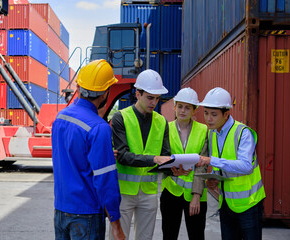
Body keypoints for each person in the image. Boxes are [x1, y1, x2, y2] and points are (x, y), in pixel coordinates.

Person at [52, 59, 125, 240]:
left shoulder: (60, 118)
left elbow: (70, 158)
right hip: (86, 214)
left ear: (79, 87)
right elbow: (105, 179)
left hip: (61, 210)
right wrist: (115, 223)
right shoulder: (99, 127)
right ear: (105, 93)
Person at [111, 69, 173, 240]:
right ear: (138, 94)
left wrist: (174, 169)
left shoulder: (161, 122)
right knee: (118, 237)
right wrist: (154, 159)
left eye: (157, 98)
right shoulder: (120, 118)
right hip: (124, 192)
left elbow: (165, 156)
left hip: (149, 192)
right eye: (150, 97)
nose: (154, 102)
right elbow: (123, 156)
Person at [197, 87, 266, 240]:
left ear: (226, 114)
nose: (208, 119)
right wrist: (213, 178)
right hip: (226, 203)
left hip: (249, 204)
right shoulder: (212, 133)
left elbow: (246, 166)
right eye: (206, 113)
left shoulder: (243, 133)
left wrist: (211, 161)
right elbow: (221, 164)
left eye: (214, 114)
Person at [160, 87, 208, 240]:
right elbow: (161, 157)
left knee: (197, 236)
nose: (183, 110)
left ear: (194, 110)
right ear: (174, 107)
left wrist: (196, 195)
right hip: (171, 192)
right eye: (180, 106)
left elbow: (203, 166)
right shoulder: (165, 129)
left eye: (187, 107)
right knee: (169, 235)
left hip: (195, 194)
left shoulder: (203, 130)